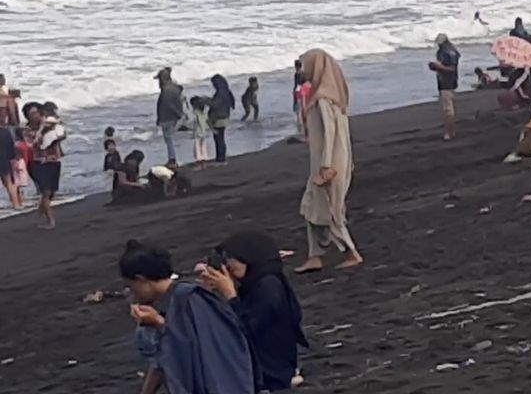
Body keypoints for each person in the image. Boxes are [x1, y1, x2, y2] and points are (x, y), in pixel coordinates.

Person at [121, 240, 258, 394]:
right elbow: (161, 362)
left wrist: (160, 325)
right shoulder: (170, 302)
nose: (131, 293)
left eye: (131, 287)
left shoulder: (191, 299)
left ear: (141, 280)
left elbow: (204, 351)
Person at [200, 232, 309, 392]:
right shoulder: (255, 283)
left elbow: (245, 328)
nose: (229, 264)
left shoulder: (269, 286)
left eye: (232, 258)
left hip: (272, 370)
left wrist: (230, 294)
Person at [296, 49, 362, 272]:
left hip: (328, 165)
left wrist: (325, 166)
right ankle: (315, 255)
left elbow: (330, 132)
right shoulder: (336, 98)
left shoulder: (323, 99)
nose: (302, 70)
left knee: (331, 212)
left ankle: (351, 252)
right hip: (336, 163)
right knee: (312, 207)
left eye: (305, 65)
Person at [25, 102, 63, 229]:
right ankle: (51, 222)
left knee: (51, 192)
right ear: (27, 116)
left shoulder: (49, 124)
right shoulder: (27, 130)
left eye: (37, 112)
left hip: (54, 160)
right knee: (46, 191)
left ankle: (37, 218)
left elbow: (61, 135)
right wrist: (43, 129)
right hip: (38, 163)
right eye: (32, 114)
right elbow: (35, 143)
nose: (35, 116)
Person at [430, 34, 460, 141]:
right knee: (448, 108)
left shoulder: (449, 53)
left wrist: (439, 67)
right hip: (446, 82)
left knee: (448, 110)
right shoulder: (446, 52)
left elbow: (452, 69)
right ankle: (451, 131)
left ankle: (449, 132)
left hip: (447, 83)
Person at [154, 68, 185, 166]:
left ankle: (172, 159)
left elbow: (167, 105)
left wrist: (159, 118)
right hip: (174, 116)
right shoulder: (175, 87)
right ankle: (172, 158)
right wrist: (180, 114)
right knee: (170, 137)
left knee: (168, 139)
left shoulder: (166, 90)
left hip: (167, 117)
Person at [209, 75, 235, 164]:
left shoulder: (220, 93)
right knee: (220, 138)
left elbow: (215, 105)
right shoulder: (227, 92)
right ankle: (221, 158)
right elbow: (233, 104)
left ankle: (220, 159)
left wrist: (206, 101)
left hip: (218, 118)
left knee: (218, 139)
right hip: (225, 116)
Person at [189, 95, 212, 167]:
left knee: (197, 146)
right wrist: (212, 129)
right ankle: (204, 157)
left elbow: (196, 122)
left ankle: (199, 159)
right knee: (203, 145)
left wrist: (193, 132)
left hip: (198, 131)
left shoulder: (195, 113)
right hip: (204, 130)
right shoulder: (204, 112)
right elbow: (207, 121)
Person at [0, 117, 17, 210]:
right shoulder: (6, 132)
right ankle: (16, 204)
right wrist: (12, 158)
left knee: (8, 182)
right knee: (9, 183)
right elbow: (11, 145)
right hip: (4, 159)